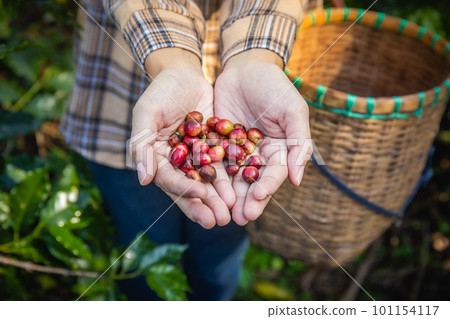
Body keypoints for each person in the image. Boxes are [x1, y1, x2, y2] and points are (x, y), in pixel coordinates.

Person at [60, 0, 312, 300]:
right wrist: (171, 63)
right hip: (121, 90)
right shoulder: (214, 143)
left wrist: (255, 57)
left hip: (236, 64)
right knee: (144, 255)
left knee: (217, 260)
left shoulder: (217, 142)